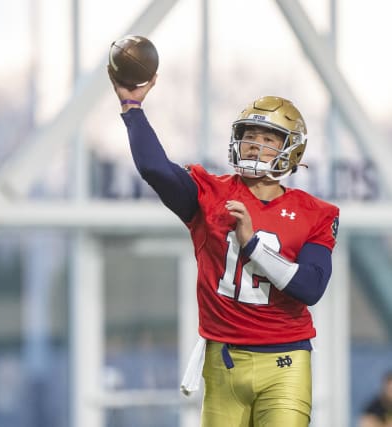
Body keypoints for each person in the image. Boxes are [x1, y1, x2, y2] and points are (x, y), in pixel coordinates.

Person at [109, 68, 339, 427]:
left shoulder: (316, 213)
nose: (254, 144)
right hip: (223, 359)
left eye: (269, 137)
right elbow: (155, 169)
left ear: (291, 149)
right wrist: (132, 108)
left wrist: (253, 245)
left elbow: (311, 288)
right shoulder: (209, 193)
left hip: (286, 360)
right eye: (249, 135)